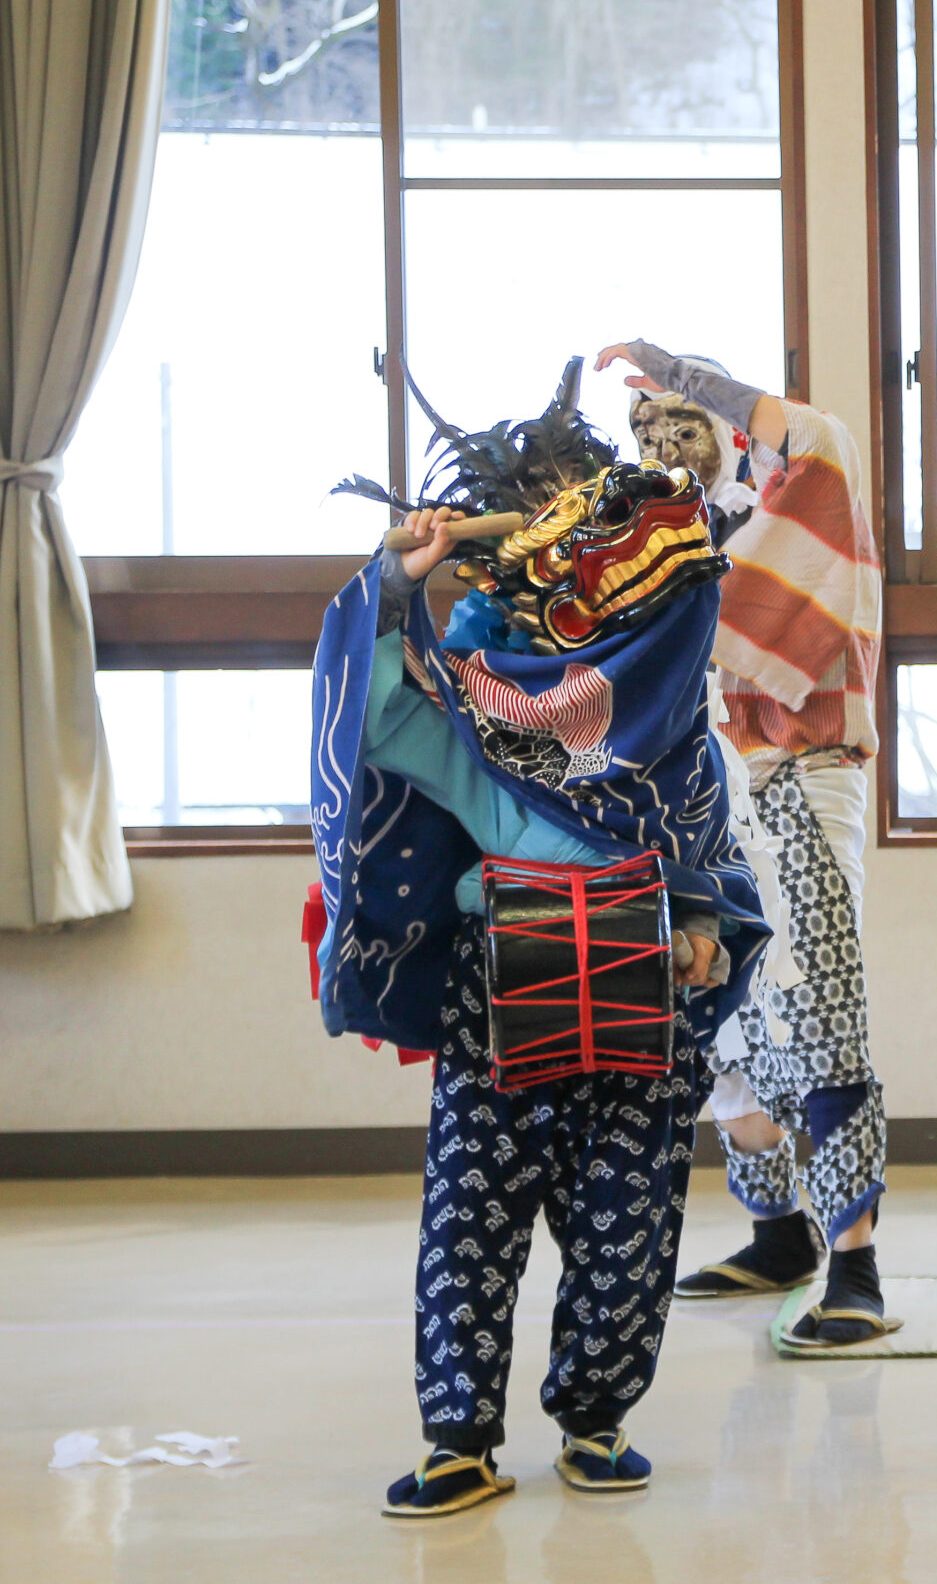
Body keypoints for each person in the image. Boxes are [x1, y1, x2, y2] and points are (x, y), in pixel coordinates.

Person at [309, 362, 767, 1516]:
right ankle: (459, 1435)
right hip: (497, 982)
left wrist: (704, 921)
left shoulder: (674, 732)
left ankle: (596, 1416)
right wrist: (393, 581)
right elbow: (373, 711)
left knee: (632, 1215)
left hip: (642, 982)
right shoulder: (475, 710)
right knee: (472, 1215)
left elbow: (706, 848)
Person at [590, 339, 894, 1357]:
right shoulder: (653, 546)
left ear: (730, 435)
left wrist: (687, 369)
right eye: (642, 429)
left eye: (683, 423)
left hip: (799, 778)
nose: (661, 444)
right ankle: (777, 1236)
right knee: (711, 1026)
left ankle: (855, 1264)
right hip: (697, 802)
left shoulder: (792, 508)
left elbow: (820, 437)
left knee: (812, 1007)